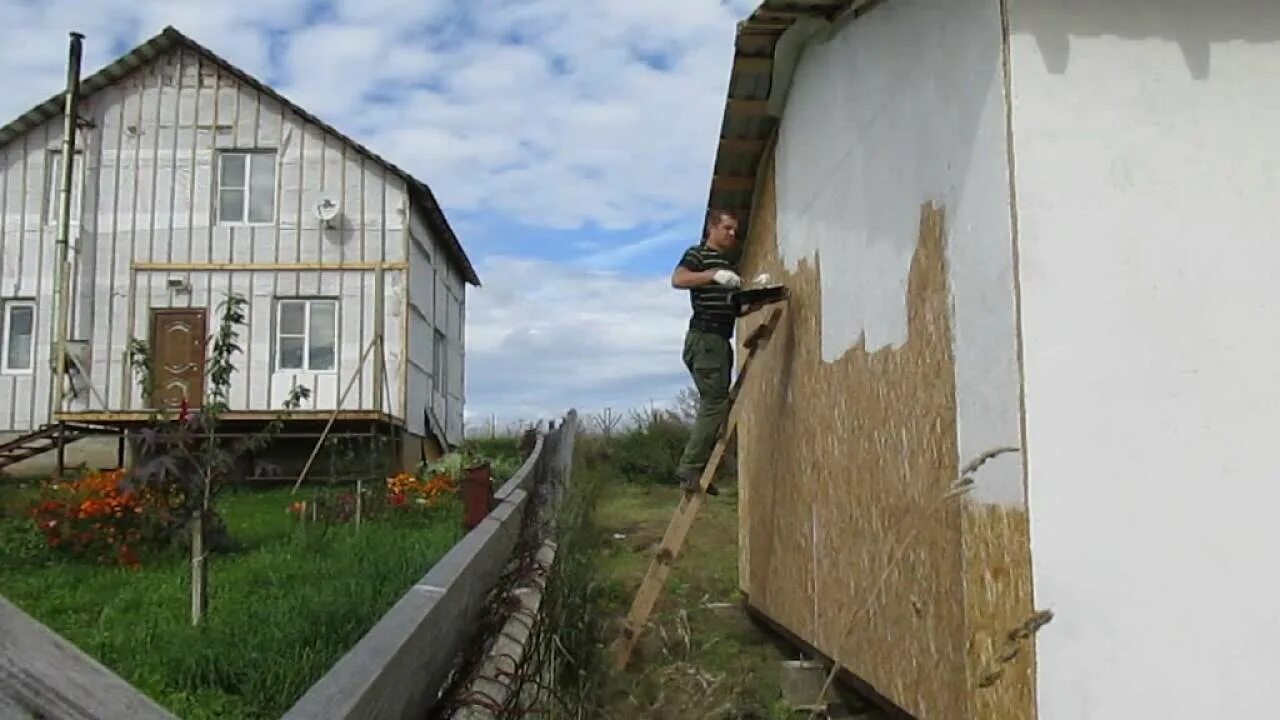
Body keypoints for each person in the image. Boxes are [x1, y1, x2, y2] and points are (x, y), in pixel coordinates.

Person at [670, 208, 742, 495]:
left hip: (720, 340)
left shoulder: (728, 263)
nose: (732, 234)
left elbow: (734, 306)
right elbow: (678, 279)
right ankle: (689, 469)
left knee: (718, 406)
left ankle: (702, 470)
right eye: (728, 228)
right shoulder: (698, 255)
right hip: (705, 339)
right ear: (712, 228)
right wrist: (712, 275)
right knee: (714, 404)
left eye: (735, 230)